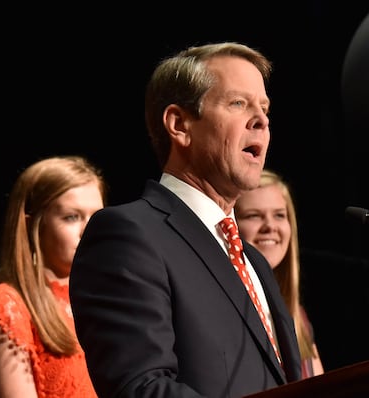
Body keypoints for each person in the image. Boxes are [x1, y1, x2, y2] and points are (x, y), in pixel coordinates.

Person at [69, 42, 302, 398]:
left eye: (265, 108)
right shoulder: (129, 236)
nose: (262, 120)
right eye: (238, 103)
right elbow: (141, 388)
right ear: (179, 125)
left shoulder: (253, 260)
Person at [0, 155, 106, 398]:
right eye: (71, 217)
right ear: (32, 224)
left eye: (96, 217)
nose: (88, 230)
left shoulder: (99, 298)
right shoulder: (7, 308)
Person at [234, 168, 325, 378]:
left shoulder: (297, 316)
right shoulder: (229, 307)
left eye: (279, 215)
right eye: (253, 215)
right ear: (232, 226)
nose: (270, 226)